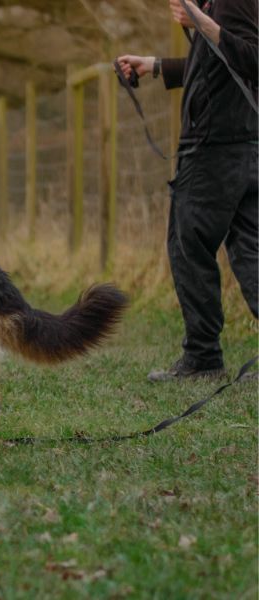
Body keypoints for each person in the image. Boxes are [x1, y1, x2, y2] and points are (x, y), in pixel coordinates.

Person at [117, 0, 258, 382]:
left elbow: (252, 61)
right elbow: (217, 67)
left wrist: (205, 24)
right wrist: (156, 65)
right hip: (242, 143)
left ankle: (202, 358)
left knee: (187, 247)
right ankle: (203, 357)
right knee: (249, 251)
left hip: (213, 147)